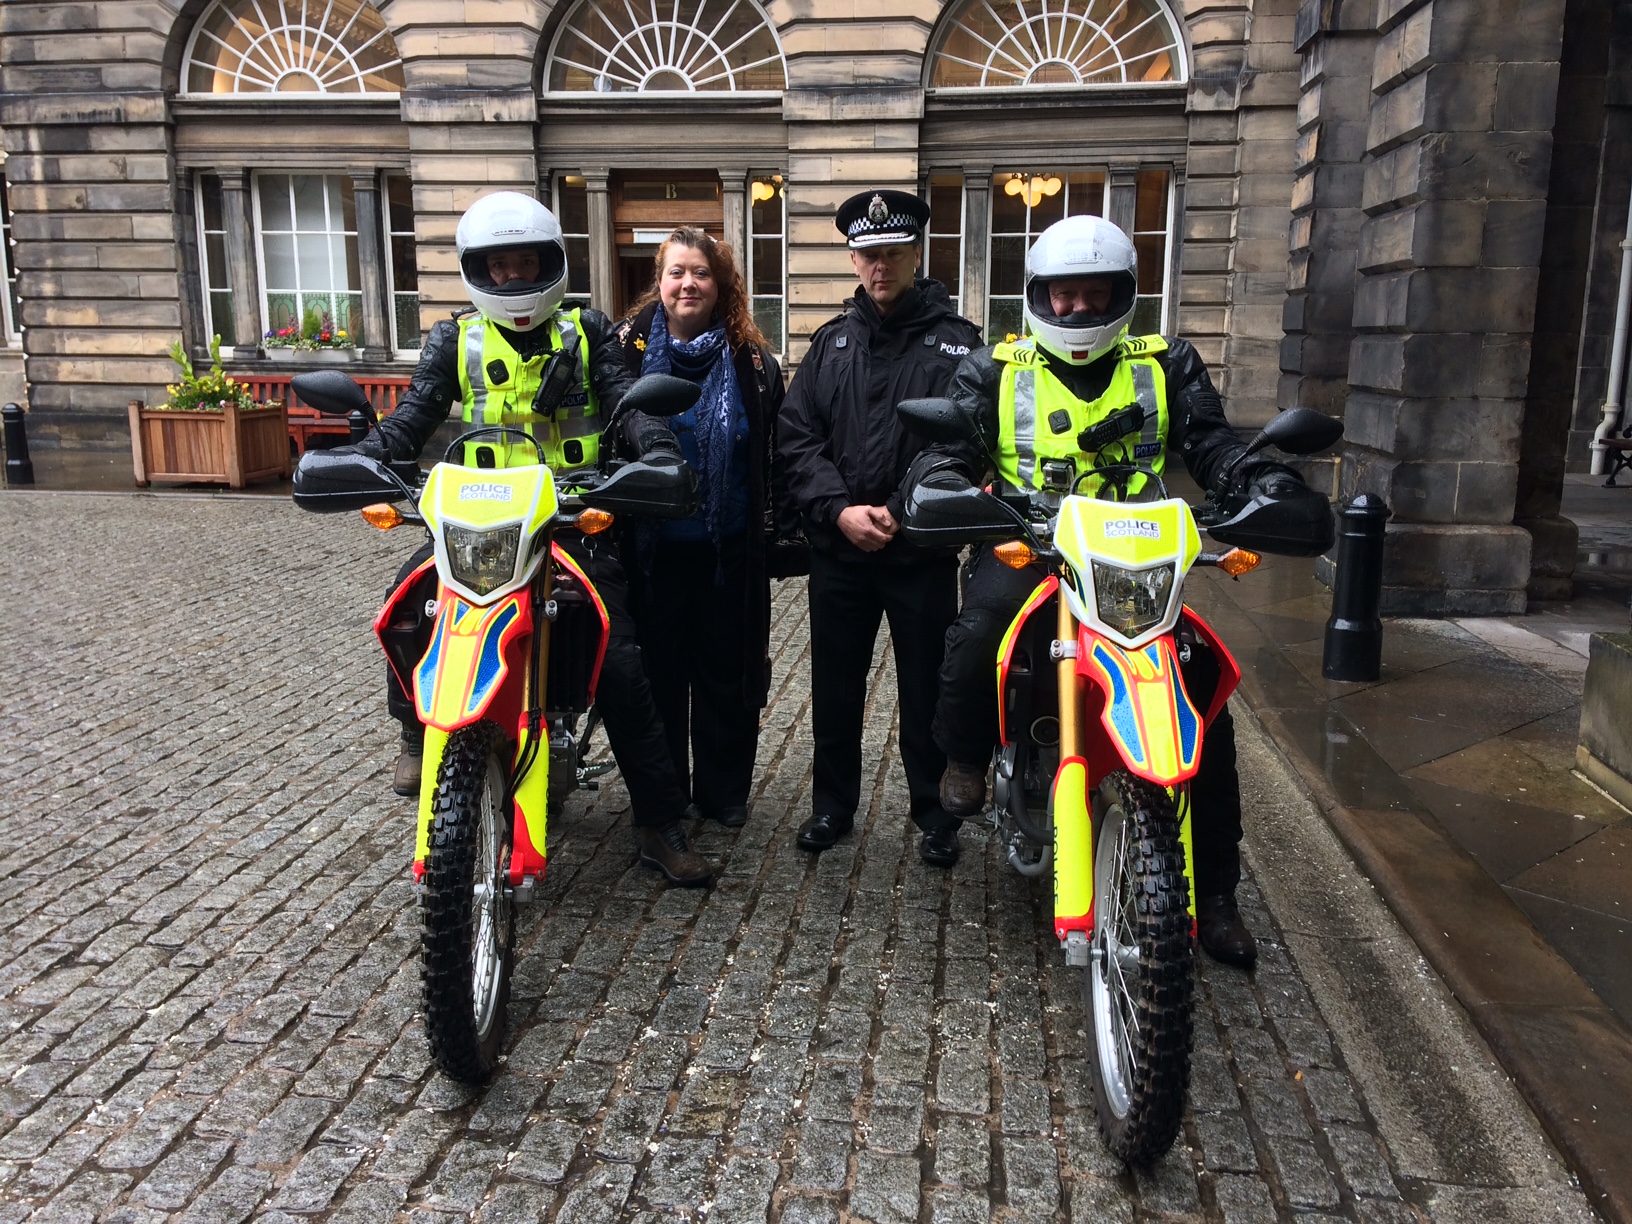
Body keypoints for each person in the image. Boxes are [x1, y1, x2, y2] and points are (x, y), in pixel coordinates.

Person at [919, 213, 1330, 968]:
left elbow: (1211, 443)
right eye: (1063, 295)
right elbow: (949, 448)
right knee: (982, 629)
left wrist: (1260, 480)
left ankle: (1216, 896)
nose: (1077, 310)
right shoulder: (994, 366)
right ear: (1039, 295)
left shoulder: (1167, 362)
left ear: (1124, 294)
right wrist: (941, 483)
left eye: (1094, 293)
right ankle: (965, 758)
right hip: (1031, 547)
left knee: (1202, 698)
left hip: (1136, 558)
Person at [352, 190, 713, 887]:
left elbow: (626, 404)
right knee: (404, 601)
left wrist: (658, 452)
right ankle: (412, 726)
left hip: (570, 524)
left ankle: (658, 825)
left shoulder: (588, 332)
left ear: (552, 263)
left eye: (527, 264)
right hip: (475, 525)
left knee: (620, 664)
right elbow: (413, 417)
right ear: (477, 271)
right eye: (500, 266)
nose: (515, 279)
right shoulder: (453, 338)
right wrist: (367, 455)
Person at [778, 189, 983, 867]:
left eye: (892, 253)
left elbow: (963, 442)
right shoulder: (832, 342)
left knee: (927, 687)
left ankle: (934, 813)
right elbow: (797, 437)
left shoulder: (959, 343)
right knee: (835, 686)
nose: (879, 268)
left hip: (918, 548)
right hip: (839, 549)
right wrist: (838, 509)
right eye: (868, 255)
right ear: (854, 259)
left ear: (916, 252)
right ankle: (832, 807)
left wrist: (901, 505)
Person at [613, 227, 793, 829]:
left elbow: (773, 454)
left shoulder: (754, 366)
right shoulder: (626, 354)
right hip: (652, 551)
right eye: (676, 272)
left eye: (702, 273)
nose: (689, 283)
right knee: (658, 676)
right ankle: (664, 798)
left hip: (729, 549)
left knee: (727, 673)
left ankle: (723, 794)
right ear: (659, 283)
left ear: (722, 286)